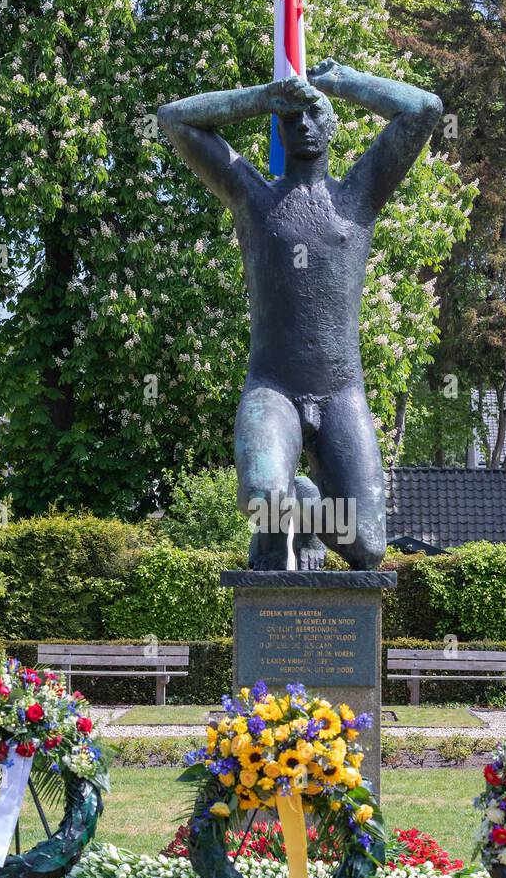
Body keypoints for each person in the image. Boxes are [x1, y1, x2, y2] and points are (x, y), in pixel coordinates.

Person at [158, 59, 442, 569]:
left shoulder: (359, 196)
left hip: (340, 393)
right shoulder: (253, 198)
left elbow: (424, 109)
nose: (305, 127)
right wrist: (267, 96)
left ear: (332, 127)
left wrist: (343, 83)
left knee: (369, 547)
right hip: (274, 388)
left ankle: (306, 509)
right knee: (263, 498)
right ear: (280, 130)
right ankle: (281, 518)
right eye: (293, 119)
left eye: (315, 116)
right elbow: (175, 118)